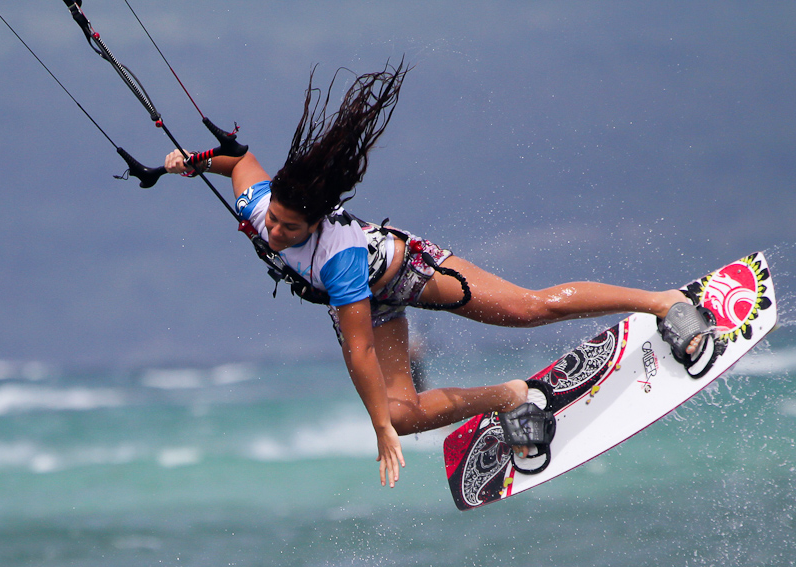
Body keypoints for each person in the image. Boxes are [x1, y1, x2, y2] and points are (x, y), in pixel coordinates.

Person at [164, 61, 712, 488]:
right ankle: (513, 397)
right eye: (274, 222)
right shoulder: (258, 209)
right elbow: (239, 161)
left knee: (527, 309)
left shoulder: (340, 258)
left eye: (289, 228)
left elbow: (358, 352)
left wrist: (375, 427)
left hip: (407, 272)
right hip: (373, 305)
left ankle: (664, 303)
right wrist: (193, 160)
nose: (276, 234)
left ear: (315, 219)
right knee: (402, 413)